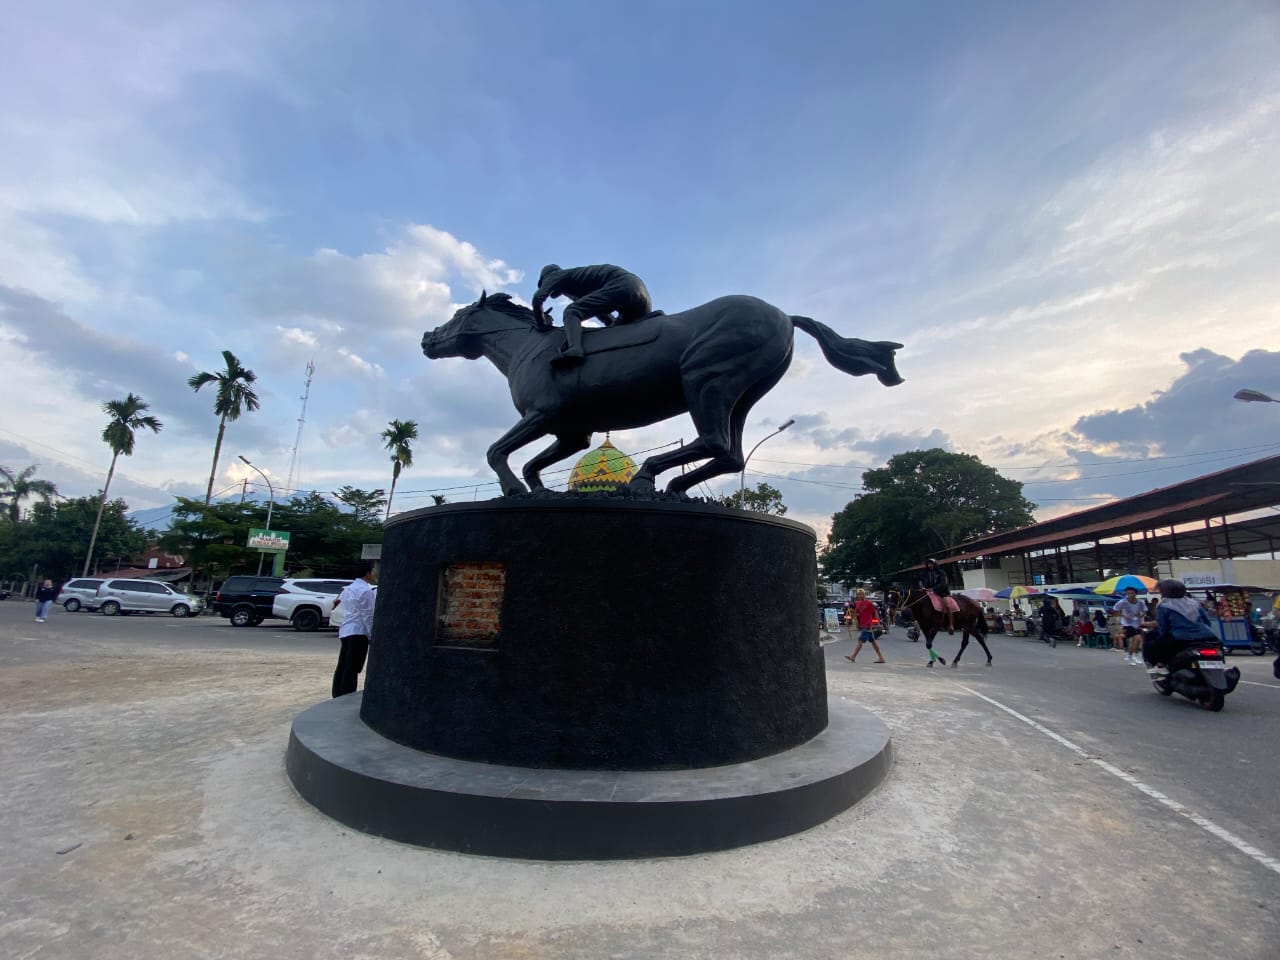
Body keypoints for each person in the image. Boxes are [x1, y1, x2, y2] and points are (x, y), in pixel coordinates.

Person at [531, 263, 654, 368]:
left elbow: (537, 298)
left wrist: (541, 323)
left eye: (544, 283)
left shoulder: (556, 275)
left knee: (571, 312)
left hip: (624, 285)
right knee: (613, 332)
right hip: (640, 294)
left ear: (546, 277)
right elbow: (600, 312)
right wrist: (611, 326)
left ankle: (575, 349)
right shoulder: (573, 285)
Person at [1143, 579, 1217, 675]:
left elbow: (1163, 627)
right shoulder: (1194, 603)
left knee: (1152, 644)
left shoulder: (1164, 605)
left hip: (1180, 638)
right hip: (1207, 636)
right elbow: (1206, 622)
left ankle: (1161, 665)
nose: (1160, 593)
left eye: (1161, 591)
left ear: (1166, 591)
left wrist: (1162, 637)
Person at [332, 562, 377, 698]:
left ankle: (337, 692)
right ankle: (347, 694)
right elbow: (368, 614)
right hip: (358, 631)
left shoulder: (348, 589)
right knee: (353, 666)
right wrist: (371, 634)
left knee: (343, 664)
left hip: (346, 629)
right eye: (372, 571)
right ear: (368, 573)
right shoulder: (365, 591)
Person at [845, 588, 886, 664]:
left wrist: (879, 623)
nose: (860, 595)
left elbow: (875, 613)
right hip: (863, 624)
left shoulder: (868, 603)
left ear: (864, 595)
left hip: (867, 625)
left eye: (862, 594)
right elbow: (858, 614)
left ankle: (853, 656)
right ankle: (881, 658)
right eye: (859, 594)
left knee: (860, 640)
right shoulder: (857, 604)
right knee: (873, 642)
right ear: (857, 595)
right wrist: (853, 614)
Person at [918, 559, 958, 634]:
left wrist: (933, 589)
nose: (930, 566)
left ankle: (951, 624)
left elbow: (943, 583)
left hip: (943, 593)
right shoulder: (927, 574)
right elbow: (926, 583)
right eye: (929, 564)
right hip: (931, 593)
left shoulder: (941, 572)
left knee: (947, 605)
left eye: (931, 564)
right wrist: (924, 588)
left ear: (935, 564)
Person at [1112, 587, 1148, 665]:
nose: (1130, 595)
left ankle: (1135, 655)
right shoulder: (1122, 602)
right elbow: (1114, 611)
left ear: (1136, 594)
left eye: (1132, 593)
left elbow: (1144, 611)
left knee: (1135, 641)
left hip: (1137, 623)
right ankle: (1130, 656)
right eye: (1128, 593)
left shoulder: (1140, 602)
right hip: (1127, 624)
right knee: (1137, 638)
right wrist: (1124, 615)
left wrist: (1141, 615)